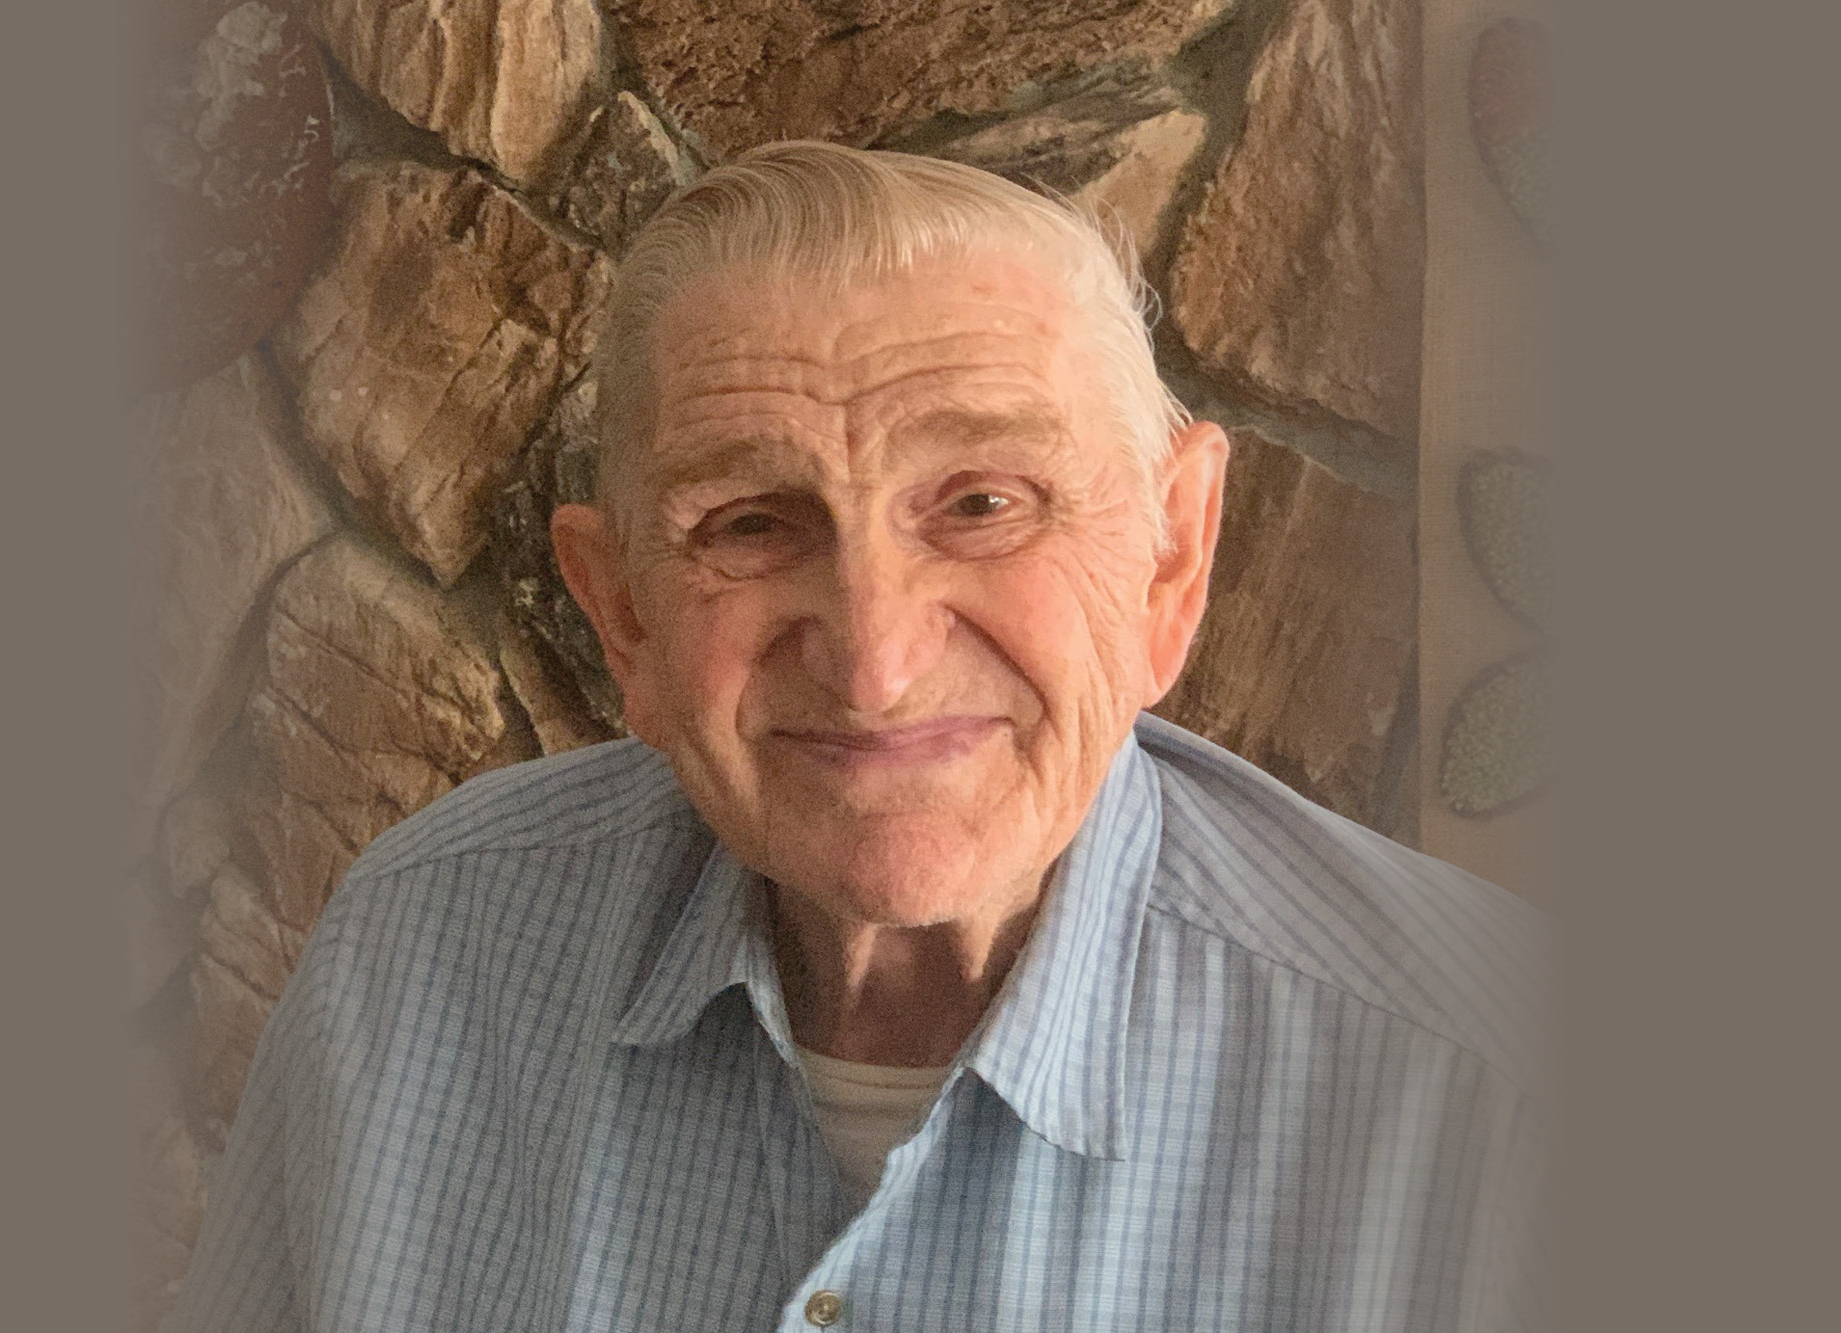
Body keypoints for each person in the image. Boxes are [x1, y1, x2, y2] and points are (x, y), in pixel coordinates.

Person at [169, 142, 1547, 1332]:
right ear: (624, 617)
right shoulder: (416, 966)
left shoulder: (1501, 1095)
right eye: (752, 524)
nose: (877, 663)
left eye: (986, 503)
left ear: (1170, 563)